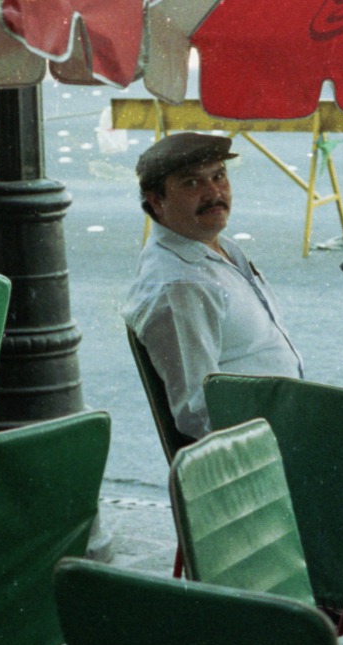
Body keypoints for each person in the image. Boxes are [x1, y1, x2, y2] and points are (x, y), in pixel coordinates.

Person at [122, 132, 303, 439]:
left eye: (219, 176)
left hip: (287, 425)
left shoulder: (216, 248)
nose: (213, 192)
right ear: (157, 201)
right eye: (192, 183)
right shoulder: (181, 286)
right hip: (264, 449)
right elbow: (198, 413)